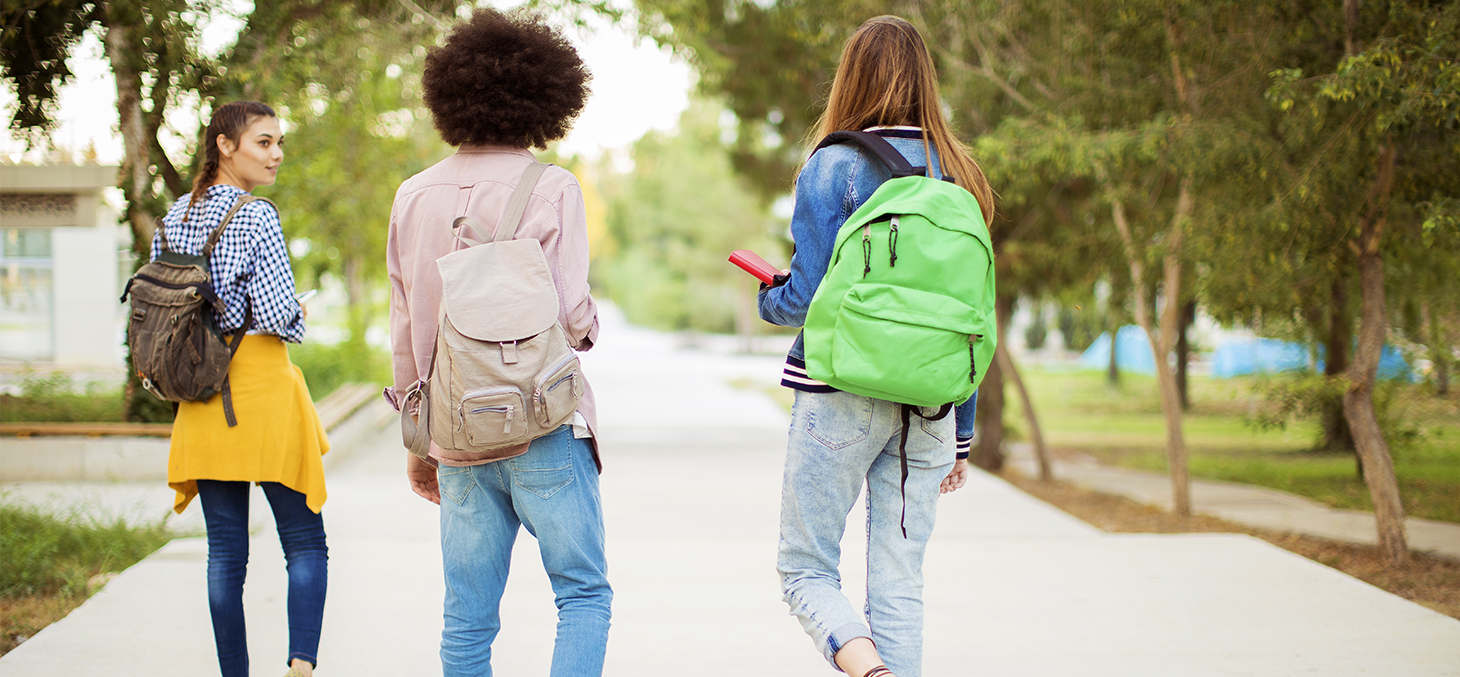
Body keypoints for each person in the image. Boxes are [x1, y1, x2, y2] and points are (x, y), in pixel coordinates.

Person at [757, 16, 997, 677]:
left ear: (850, 77)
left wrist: (768, 297)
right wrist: (963, 431)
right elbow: (965, 314)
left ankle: (869, 669)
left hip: (840, 388)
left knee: (805, 566)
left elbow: (804, 298)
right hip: (930, 405)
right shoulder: (961, 174)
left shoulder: (832, 164)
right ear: (926, 78)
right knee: (900, 580)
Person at [383, 8, 609, 676]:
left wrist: (418, 438)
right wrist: (589, 327)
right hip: (543, 421)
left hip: (458, 433)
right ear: (546, 98)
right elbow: (570, 317)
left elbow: (404, 330)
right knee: (583, 592)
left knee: (468, 618)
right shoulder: (553, 187)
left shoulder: (413, 195)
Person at [160, 100, 328, 677]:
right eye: (263, 142)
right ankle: (300, 667)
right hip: (261, 390)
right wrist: (302, 310)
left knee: (226, 554)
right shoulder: (256, 215)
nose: (276, 153)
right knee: (304, 542)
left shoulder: (173, 218)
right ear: (225, 145)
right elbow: (282, 316)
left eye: (279, 142)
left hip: (201, 397)